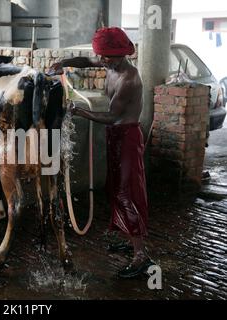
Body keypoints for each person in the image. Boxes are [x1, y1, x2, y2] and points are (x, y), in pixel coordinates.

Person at [50, 27, 154, 279]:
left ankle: (141, 255)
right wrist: (63, 62)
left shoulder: (129, 79)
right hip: (115, 136)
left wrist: (78, 110)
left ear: (119, 54)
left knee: (127, 192)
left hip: (127, 137)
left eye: (106, 57)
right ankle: (129, 241)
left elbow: (111, 116)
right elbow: (87, 61)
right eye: (102, 56)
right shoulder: (111, 64)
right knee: (114, 187)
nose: (102, 60)